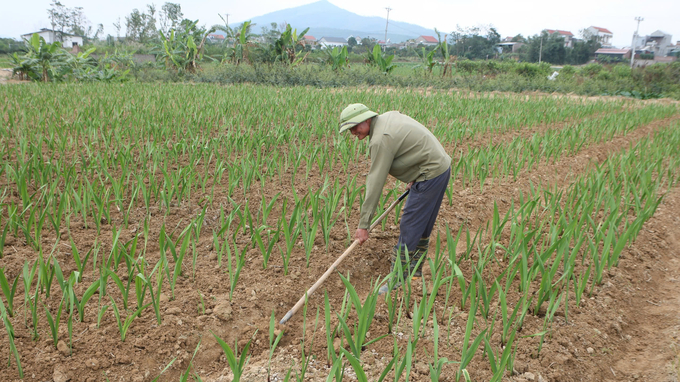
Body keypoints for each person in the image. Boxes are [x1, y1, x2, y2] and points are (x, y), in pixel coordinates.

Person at [338, 103, 452, 293]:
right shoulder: (386, 118)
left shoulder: (381, 139)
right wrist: (415, 173)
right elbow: (413, 145)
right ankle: (415, 273)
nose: (353, 133)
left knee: (410, 225)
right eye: (349, 130)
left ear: (366, 120)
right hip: (438, 168)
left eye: (354, 127)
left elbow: (375, 181)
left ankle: (397, 280)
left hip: (430, 174)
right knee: (422, 225)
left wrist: (364, 224)